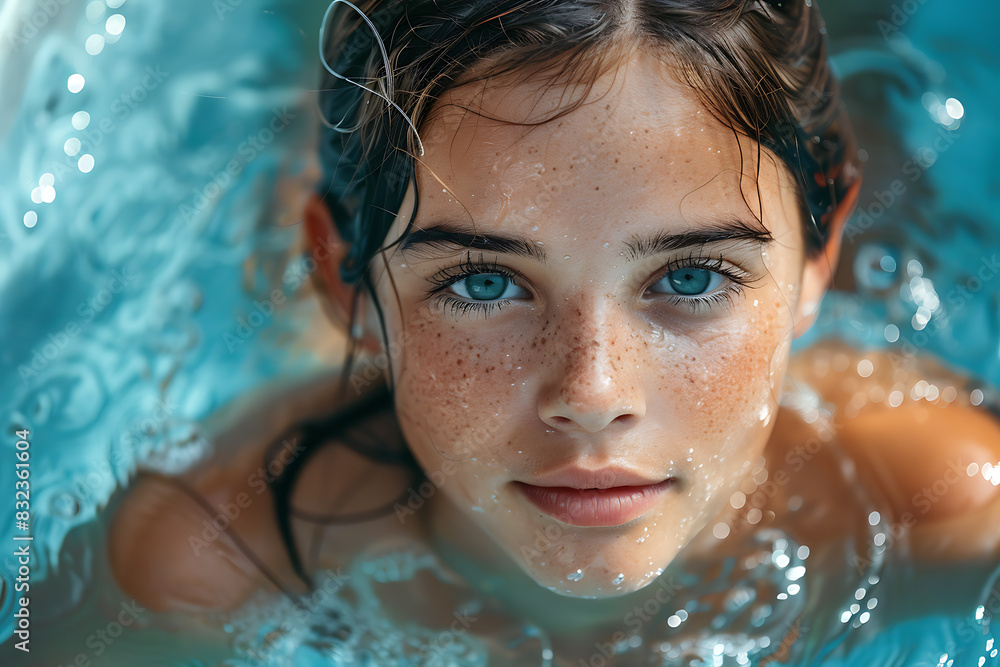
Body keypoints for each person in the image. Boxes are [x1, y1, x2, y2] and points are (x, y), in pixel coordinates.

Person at [108, 0, 1000, 661]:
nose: (593, 395)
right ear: (348, 287)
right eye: (485, 282)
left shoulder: (928, 504)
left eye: (691, 277)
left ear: (816, 264)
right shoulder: (221, 552)